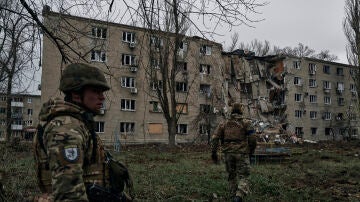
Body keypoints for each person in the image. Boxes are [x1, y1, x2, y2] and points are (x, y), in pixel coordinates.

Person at [33, 63, 133, 201]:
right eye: (96, 91)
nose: (102, 97)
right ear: (76, 94)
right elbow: (69, 194)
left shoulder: (80, 123)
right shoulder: (66, 130)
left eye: (102, 92)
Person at [211, 103, 257, 202]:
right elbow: (253, 139)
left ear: (232, 111)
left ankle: (233, 195)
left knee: (231, 175)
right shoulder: (246, 123)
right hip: (241, 153)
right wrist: (251, 150)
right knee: (244, 175)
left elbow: (215, 138)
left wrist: (213, 152)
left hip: (227, 154)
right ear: (241, 111)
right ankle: (239, 195)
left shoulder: (223, 123)